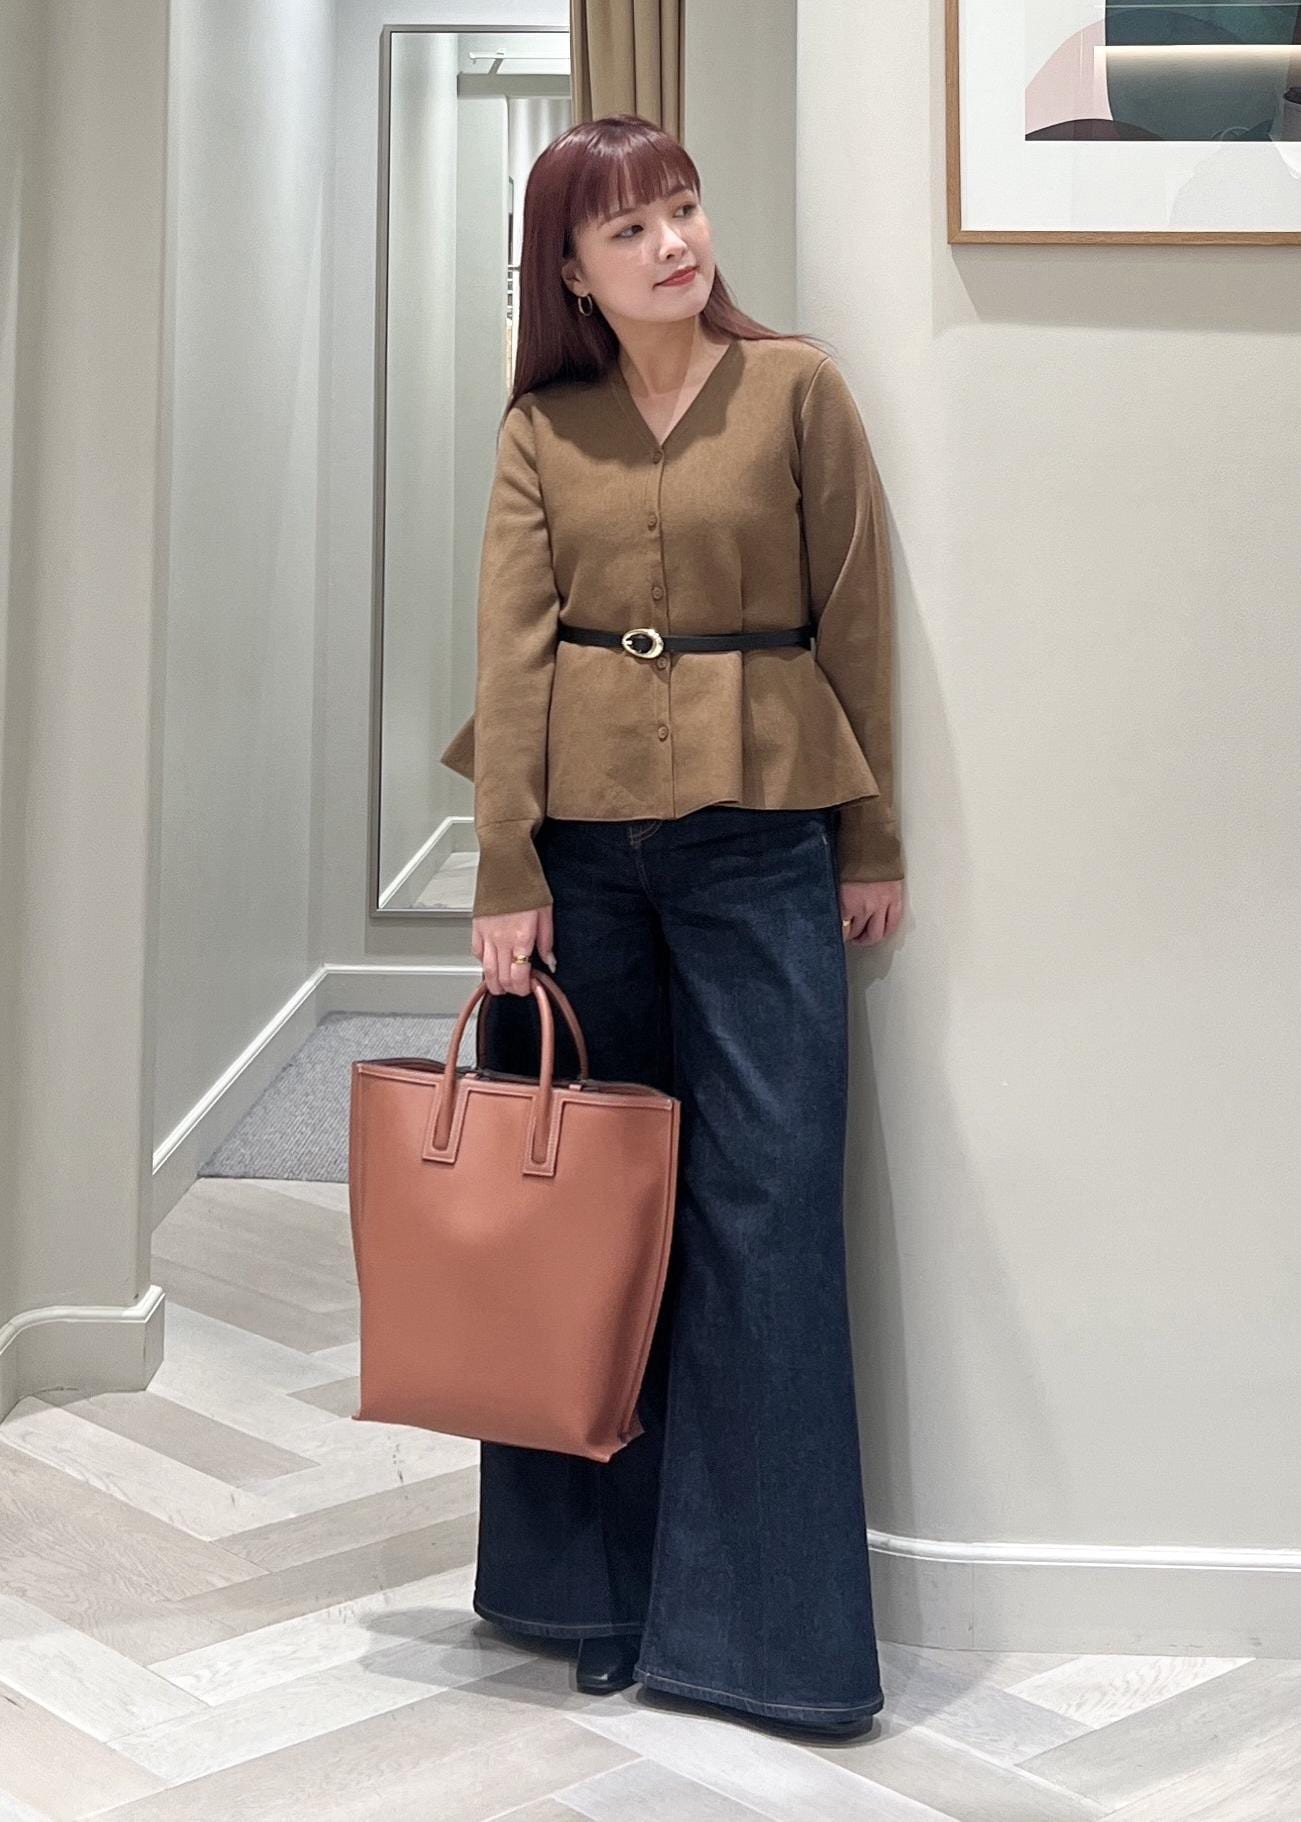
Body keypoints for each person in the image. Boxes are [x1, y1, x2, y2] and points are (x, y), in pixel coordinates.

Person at [438, 113, 905, 1741]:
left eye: (684, 210)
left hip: (760, 838)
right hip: (575, 859)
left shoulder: (795, 390)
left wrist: (869, 834)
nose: (672, 245)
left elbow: (854, 622)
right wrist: (504, 869)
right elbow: (507, 652)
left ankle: (765, 1635)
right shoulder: (540, 428)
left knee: (765, 1215)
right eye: (629, 228)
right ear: (569, 268)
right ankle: (591, 1596)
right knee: (585, 1220)